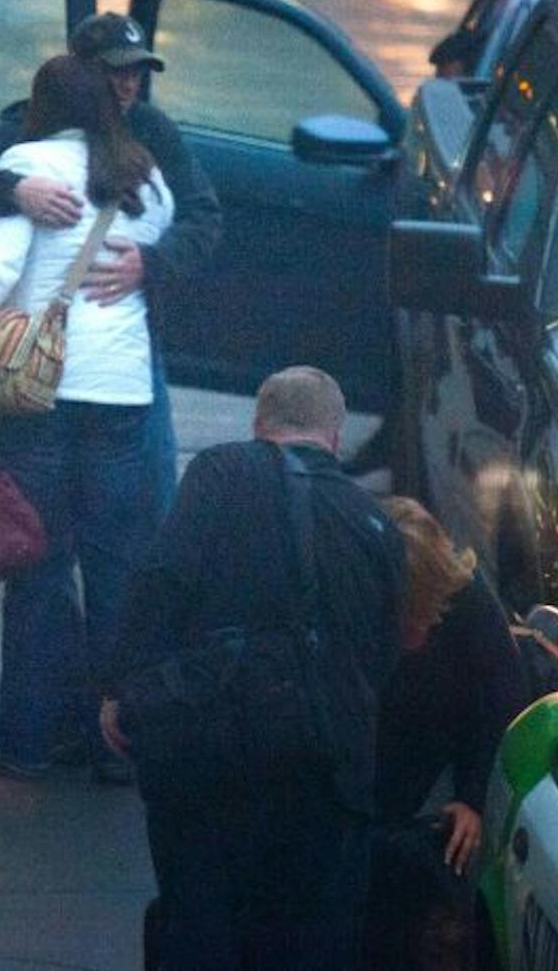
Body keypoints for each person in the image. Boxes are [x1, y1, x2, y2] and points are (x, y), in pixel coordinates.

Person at [0, 54, 175, 782]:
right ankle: (119, 749)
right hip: (123, 395)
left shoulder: (29, 161)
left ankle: (29, 745)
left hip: (43, 393)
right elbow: (154, 244)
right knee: (118, 569)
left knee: (37, 562)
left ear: (39, 104)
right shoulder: (146, 177)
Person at [100, 366, 405, 971]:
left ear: (259, 423)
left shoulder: (220, 472)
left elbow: (162, 584)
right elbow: (382, 653)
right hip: (324, 764)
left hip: (214, 751)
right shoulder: (375, 523)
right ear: (335, 437)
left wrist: (118, 689)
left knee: (200, 915)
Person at [0, 11, 221, 519]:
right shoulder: (23, 131)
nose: (128, 83)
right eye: (115, 71)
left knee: (145, 503)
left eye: (137, 71)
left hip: (127, 347)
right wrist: (13, 189)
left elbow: (202, 217)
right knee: (50, 523)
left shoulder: (150, 129)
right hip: (36, 358)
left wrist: (152, 262)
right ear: (79, 73)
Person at [367, 496, 531, 970]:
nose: (415, 634)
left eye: (424, 620)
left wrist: (473, 799)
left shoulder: (468, 602)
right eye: (406, 622)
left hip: (434, 756)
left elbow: (501, 702)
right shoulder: (349, 601)